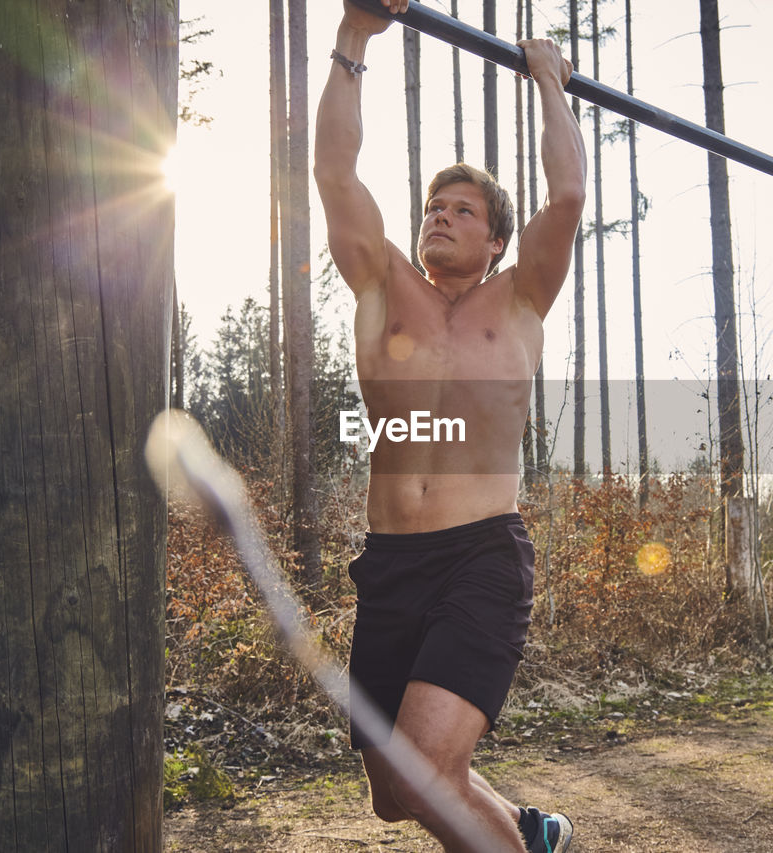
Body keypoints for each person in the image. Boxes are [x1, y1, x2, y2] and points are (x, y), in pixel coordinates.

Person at [314, 0, 586, 850]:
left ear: (499, 238)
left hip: (480, 558)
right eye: (436, 204)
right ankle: (528, 833)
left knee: (431, 767)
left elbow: (569, 192)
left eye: (464, 209)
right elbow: (334, 173)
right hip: (391, 563)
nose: (442, 213)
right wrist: (356, 35)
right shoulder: (384, 286)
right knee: (399, 793)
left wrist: (547, 79)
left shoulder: (518, 302)